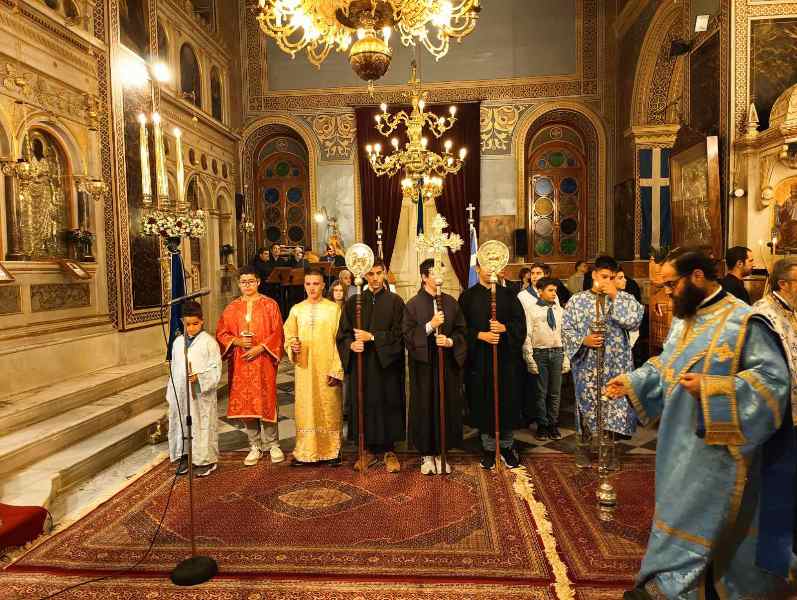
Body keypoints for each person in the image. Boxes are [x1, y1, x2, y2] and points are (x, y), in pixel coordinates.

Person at [606, 248, 796, 600]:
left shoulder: (746, 321)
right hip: (676, 443)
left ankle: (675, 589)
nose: (667, 293)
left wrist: (712, 389)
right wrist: (634, 381)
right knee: (675, 512)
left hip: (718, 452)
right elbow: (668, 364)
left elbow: (772, 385)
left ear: (697, 276)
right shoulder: (685, 319)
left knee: (698, 521)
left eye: (671, 284)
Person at [562, 255, 643, 465]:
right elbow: (566, 330)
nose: (608, 281)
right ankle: (584, 449)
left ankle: (610, 452)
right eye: (604, 276)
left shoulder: (624, 298)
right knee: (587, 405)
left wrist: (615, 295)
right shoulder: (577, 301)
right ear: (594, 275)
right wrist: (583, 340)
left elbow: (634, 321)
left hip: (616, 365)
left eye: (612, 277)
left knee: (614, 406)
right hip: (587, 366)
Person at [337, 259, 406, 472]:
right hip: (363, 365)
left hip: (387, 366)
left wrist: (373, 337)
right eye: (370, 274)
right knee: (363, 403)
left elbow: (400, 334)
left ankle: (389, 450)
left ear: (384, 273)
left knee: (388, 402)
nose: (375, 278)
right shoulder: (354, 302)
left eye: (378, 273)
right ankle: (365, 450)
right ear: (364, 275)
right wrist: (351, 345)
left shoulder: (396, 302)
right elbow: (343, 334)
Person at [459, 261, 527, 469]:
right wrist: (481, 335)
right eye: (486, 266)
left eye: (493, 266)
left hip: (505, 361)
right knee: (483, 402)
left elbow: (520, 325)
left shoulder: (509, 295)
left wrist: (505, 328)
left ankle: (506, 446)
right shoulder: (467, 297)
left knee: (506, 401)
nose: (490, 270)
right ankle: (488, 448)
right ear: (478, 269)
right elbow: (460, 328)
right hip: (479, 361)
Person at [403, 259, 467, 475]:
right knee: (424, 405)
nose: (440, 275)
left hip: (446, 364)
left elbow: (462, 331)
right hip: (423, 365)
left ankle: (441, 452)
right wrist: (431, 326)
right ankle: (426, 454)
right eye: (434, 272)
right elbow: (407, 335)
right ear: (423, 277)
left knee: (445, 404)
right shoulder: (412, 304)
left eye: (442, 271)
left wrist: (449, 341)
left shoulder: (451, 302)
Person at [216, 267, 285, 466]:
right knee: (246, 403)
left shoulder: (270, 305)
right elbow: (221, 333)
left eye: (251, 281)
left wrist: (261, 347)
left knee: (266, 400)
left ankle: (273, 444)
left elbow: (278, 332)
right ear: (239, 284)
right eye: (243, 282)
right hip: (241, 362)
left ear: (258, 282)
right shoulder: (232, 308)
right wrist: (237, 341)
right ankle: (254, 445)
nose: (247, 285)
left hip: (263, 360)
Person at [284, 269, 344, 466]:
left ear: (323, 286)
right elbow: (289, 335)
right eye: (308, 284)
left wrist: (336, 369)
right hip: (305, 369)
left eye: (316, 284)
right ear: (304, 286)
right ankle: (306, 451)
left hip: (327, 367)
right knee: (306, 409)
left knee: (329, 406)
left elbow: (341, 341)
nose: (312, 288)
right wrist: (292, 345)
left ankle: (331, 451)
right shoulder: (296, 310)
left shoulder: (333, 310)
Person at [166, 301, 222, 478]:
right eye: (187, 324)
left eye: (195, 324)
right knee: (182, 422)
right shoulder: (177, 343)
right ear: (183, 322)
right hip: (182, 392)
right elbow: (174, 368)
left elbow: (216, 369)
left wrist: (200, 377)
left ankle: (206, 459)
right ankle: (184, 455)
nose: (191, 328)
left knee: (202, 424)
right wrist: (172, 392)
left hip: (200, 394)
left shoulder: (209, 343)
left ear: (202, 321)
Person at [523, 277, 565, 441]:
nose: (554, 293)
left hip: (557, 352)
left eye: (555, 291)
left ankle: (553, 423)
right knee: (541, 392)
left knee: (555, 391)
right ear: (540, 291)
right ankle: (542, 424)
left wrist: (566, 357)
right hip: (539, 353)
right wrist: (529, 357)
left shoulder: (559, 310)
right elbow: (527, 334)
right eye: (550, 290)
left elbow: (564, 334)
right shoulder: (531, 310)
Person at [615, 268, 642, 348]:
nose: (625, 280)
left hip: (626, 342)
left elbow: (634, 326)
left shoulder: (629, 298)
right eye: (620, 278)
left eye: (623, 277)